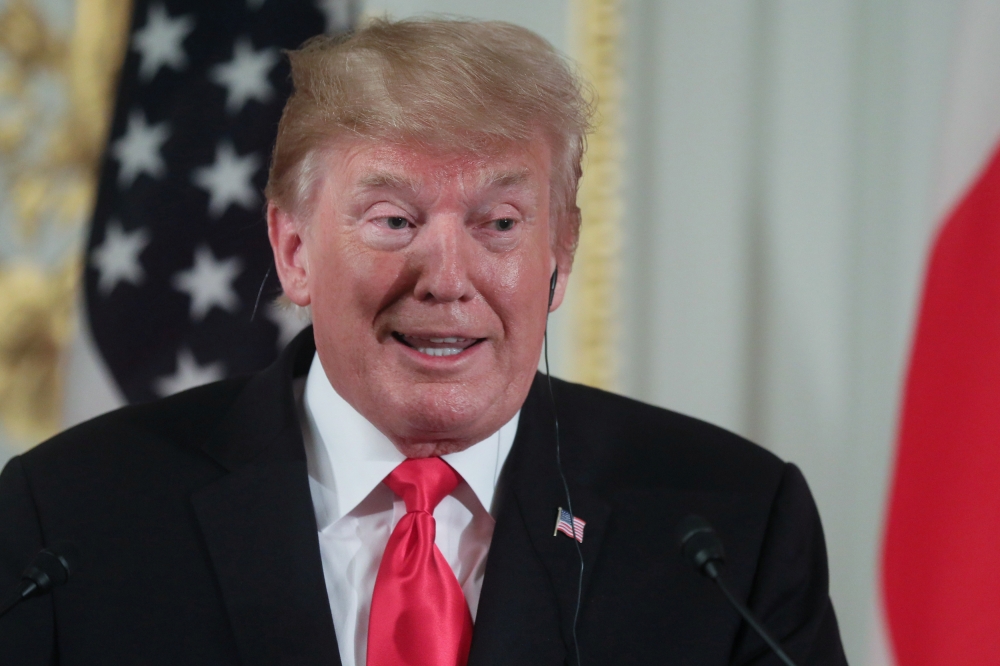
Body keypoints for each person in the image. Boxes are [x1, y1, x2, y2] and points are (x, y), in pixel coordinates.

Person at [0, 18, 847, 666]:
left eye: (500, 223)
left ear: (561, 252)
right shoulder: (72, 520)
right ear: (294, 251)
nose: (447, 278)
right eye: (395, 220)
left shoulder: (728, 531)